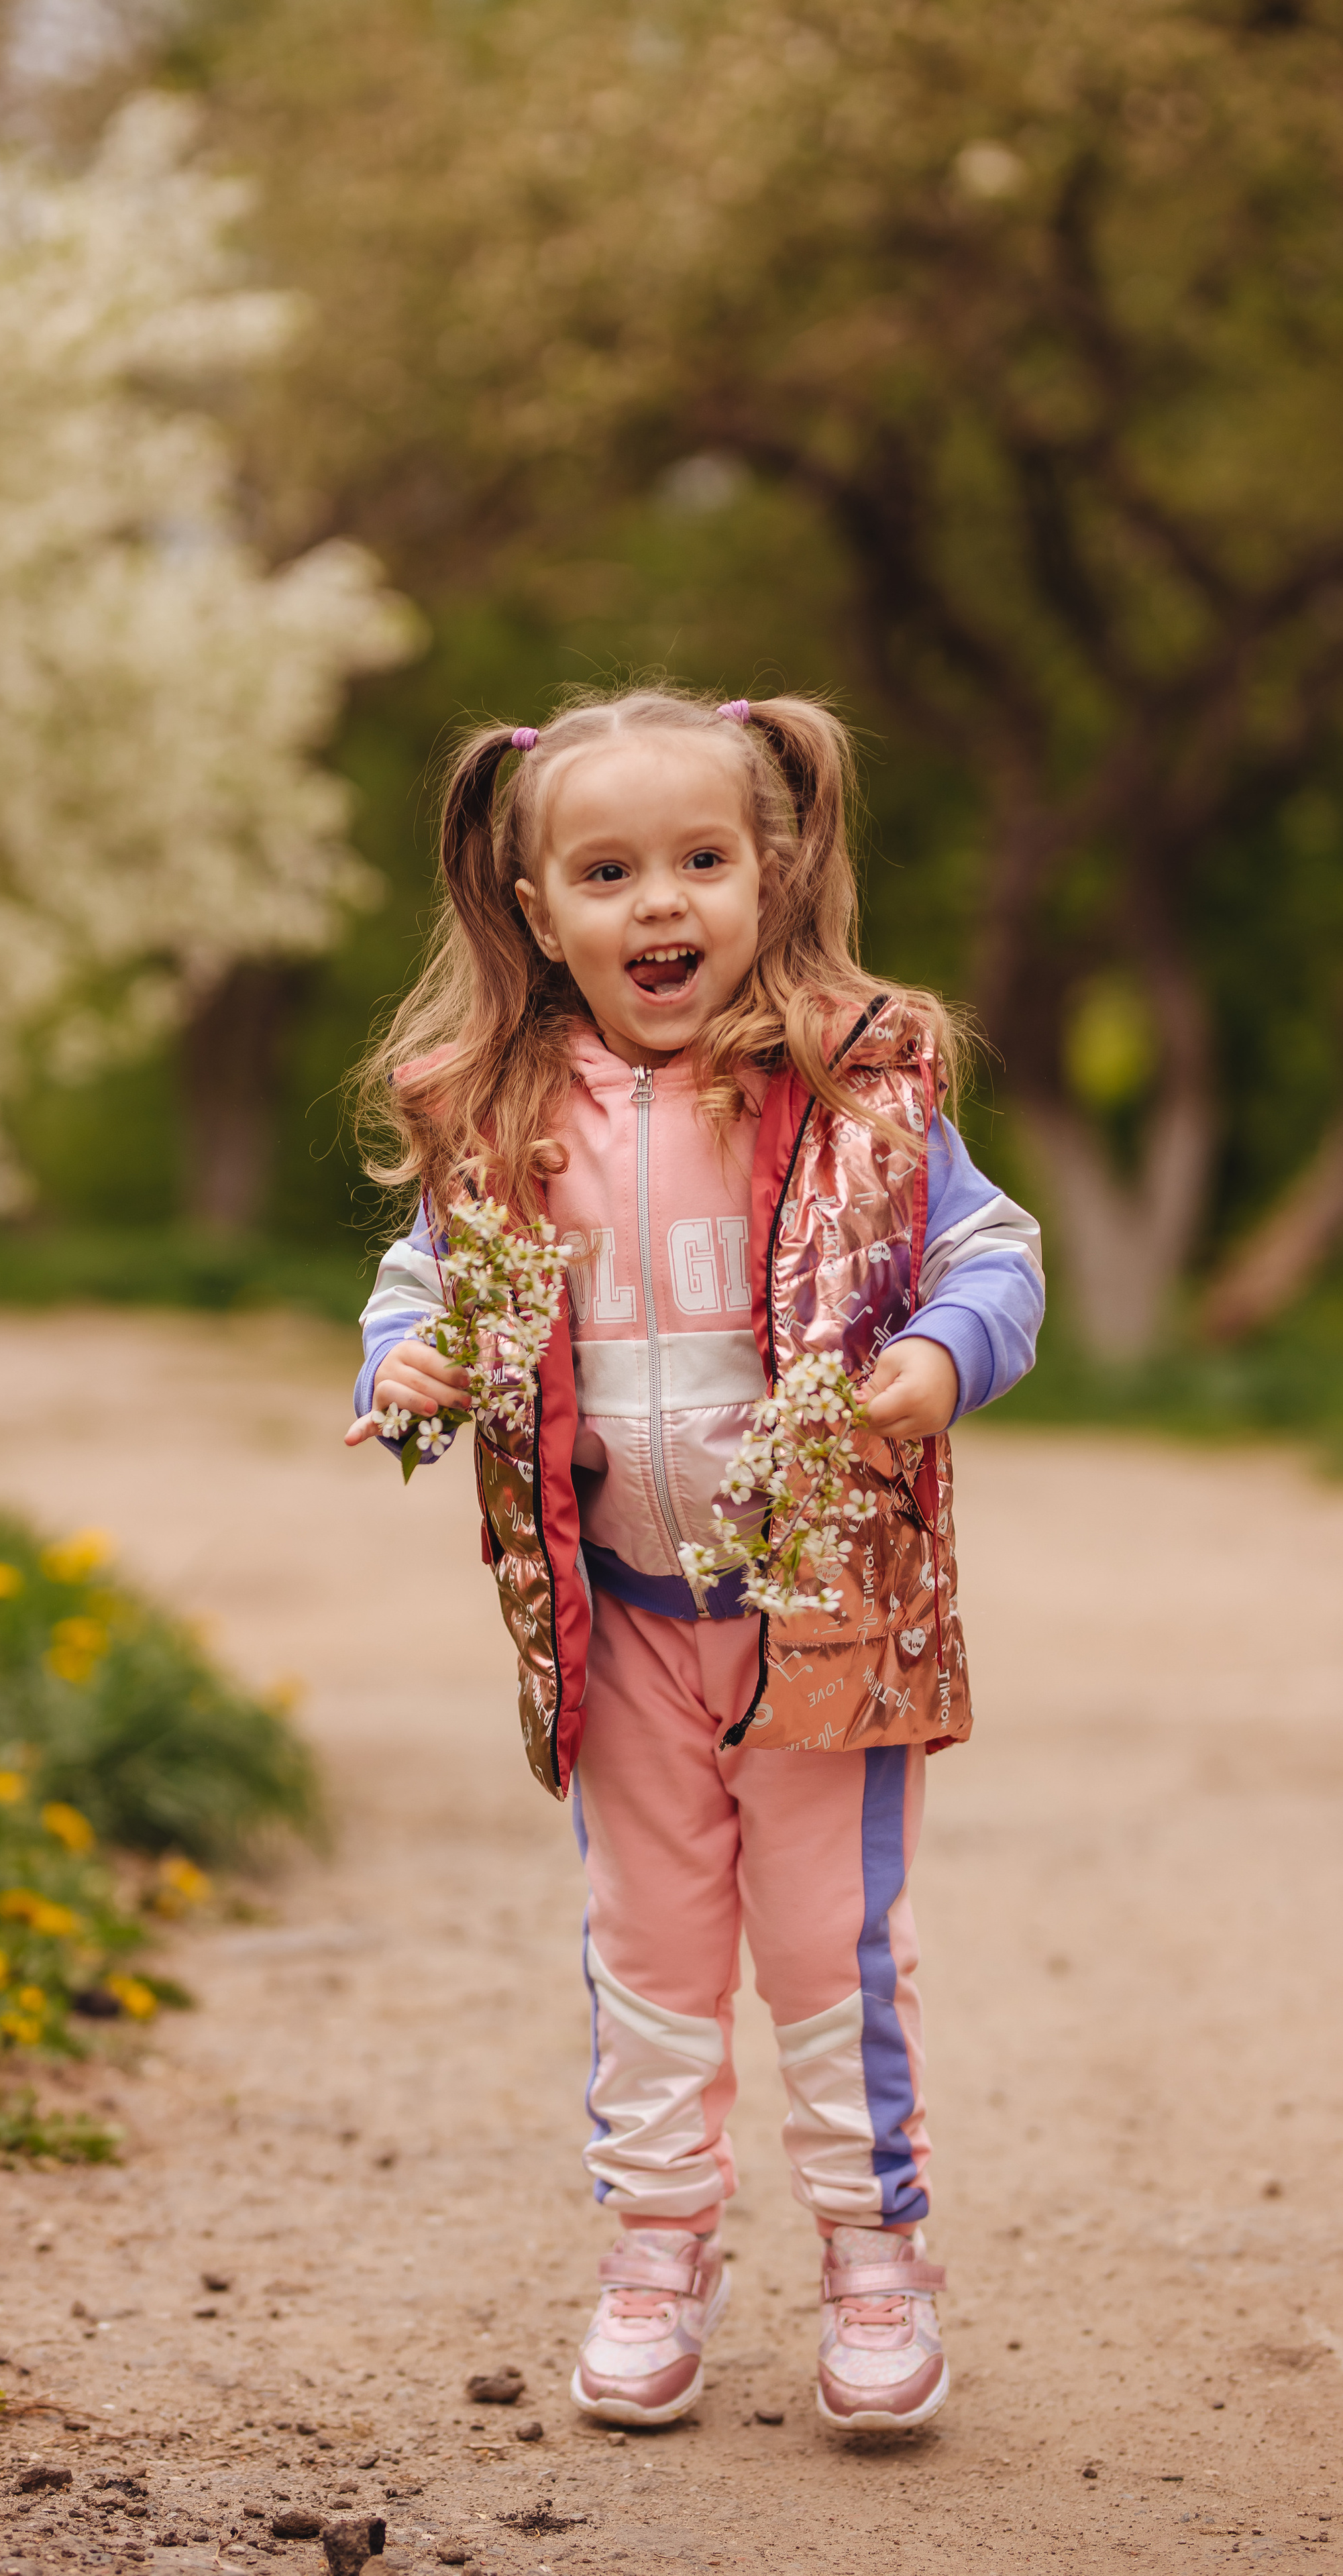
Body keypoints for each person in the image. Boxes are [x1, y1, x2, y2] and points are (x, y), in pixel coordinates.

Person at [343, 688, 1043, 2433]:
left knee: (826, 1948)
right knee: (648, 1949)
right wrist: (405, 1372)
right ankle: (658, 2250)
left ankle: (876, 2262)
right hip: (624, 1623)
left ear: (771, 869)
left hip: (818, 1624)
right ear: (535, 909)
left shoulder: (852, 1089)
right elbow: (423, 1292)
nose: (661, 904)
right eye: (609, 870)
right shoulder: (499, 1118)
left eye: (701, 861)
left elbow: (996, 1252)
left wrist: (943, 1354)